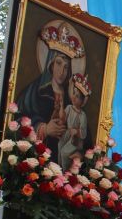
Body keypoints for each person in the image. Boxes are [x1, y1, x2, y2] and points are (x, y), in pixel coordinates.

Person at [16, 19, 84, 154]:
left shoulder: (72, 97)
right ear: (50, 64)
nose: (62, 71)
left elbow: (84, 134)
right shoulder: (35, 91)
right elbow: (16, 119)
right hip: (38, 156)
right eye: (58, 63)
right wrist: (44, 129)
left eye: (66, 67)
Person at [58, 72, 90, 169]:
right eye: (74, 94)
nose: (74, 98)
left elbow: (83, 133)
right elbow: (62, 118)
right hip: (67, 135)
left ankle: (64, 172)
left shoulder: (82, 115)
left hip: (75, 141)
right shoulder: (69, 108)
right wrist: (61, 105)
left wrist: (76, 131)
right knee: (60, 146)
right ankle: (59, 169)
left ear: (83, 101)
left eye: (78, 97)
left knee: (64, 152)